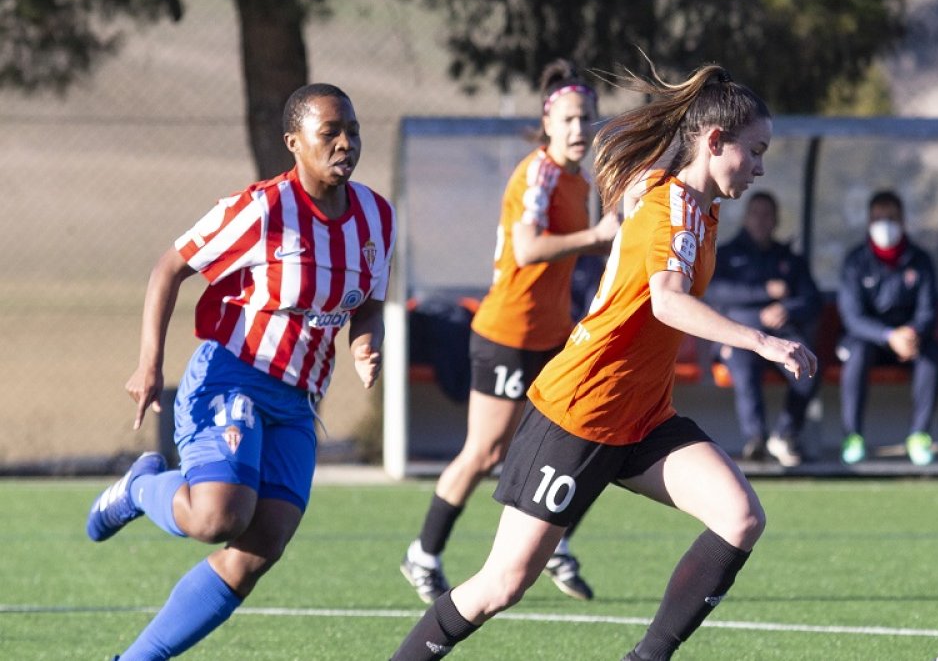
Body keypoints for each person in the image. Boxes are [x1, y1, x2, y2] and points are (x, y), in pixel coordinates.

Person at [389, 62, 816, 661]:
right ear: (714, 142)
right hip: (579, 414)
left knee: (740, 517)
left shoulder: (700, 207)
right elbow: (668, 303)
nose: (761, 167)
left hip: (641, 417)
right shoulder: (672, 208)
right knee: (502, 584)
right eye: (755, 151)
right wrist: (763, 341)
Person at [85, 83, 394, 660]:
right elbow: (169, 267)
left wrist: (362, 344)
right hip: (233, 376)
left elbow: (369, 300)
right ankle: (140, 488)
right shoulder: (262, 209)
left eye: (353, 130)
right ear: (294, 142)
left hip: (300, 401)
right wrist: (149, 361)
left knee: (259, 547)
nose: (346, 143)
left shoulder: (377, 216)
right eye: (330, 132)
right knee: (217, 517)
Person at [400, 60, 620, 605]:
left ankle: (555, 542)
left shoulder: (579, 180)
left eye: (588, 119)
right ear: (547, 122)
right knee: (483, 450)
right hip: (506, 333)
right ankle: (423, 554)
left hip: (550, 335)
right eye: (569, 118)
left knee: (579, 436)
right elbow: (527, 249)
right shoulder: (539, 174)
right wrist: (598, 237)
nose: (579, 130)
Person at [706, 190, 821, 466]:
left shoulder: (788, 258)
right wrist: (765, 291)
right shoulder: (727, 254)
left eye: (767, 214)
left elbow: (811, 298)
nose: (761, 220)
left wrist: (787, 309)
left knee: (807, 367)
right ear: (746, 217)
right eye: (755, 213)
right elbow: (714, 292)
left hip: (781, 336)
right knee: (745, 371)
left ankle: (784, 435)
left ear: (776, 220)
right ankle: (755, 440)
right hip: (738, 335)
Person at [837, 190, 938, 466]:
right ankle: (853, 435)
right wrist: (888, 336)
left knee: (932, 356)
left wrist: (912, 333)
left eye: (891, 218)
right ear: (869, 222)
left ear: (903, 221)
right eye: (878, 218)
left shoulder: (920, 260)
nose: (885, 224)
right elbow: (852, 317)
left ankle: (919, 435)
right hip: (869, 339)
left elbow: (929, 310)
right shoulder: (856, 261)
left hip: (910, 340)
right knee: (855, 355)